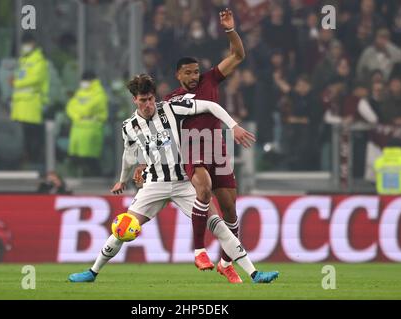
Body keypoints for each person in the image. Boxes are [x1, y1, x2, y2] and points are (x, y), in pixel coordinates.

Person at [68, 74, 279, 284]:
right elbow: (129, 156)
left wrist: (232, 125)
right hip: (154, 185)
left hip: (184, 182)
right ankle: (92, 272)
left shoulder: (171, 108)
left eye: (151, 99)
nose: (148, 104)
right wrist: (122, 180)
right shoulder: (129, 126)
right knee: (124, 227)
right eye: (143, 100)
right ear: (135, 100)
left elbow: (210, 106)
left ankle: (254, 273)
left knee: (218, 225)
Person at [162, 8, 247, 283]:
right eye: (188, 73)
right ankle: (199, 250)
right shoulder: (171, 99)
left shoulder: (211, 79)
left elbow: (238, 56)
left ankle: (225, 261)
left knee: (231, 209)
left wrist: (230, 29)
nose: (194, 77)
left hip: (218, 149)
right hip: (193, 150)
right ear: (178, 75)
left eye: (196, 72)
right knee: (204, 188)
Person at [10, 33, 49, 165]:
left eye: (28, 43)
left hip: (32, 101)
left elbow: (36, 79)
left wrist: (16, 82)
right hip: (22, 102)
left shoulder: (38, 60)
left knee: (34, 133)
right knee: (26, 133)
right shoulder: (24, 60)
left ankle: (34, 157)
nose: (26, 47)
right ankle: (28, 156)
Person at [66, 71, 108, 176]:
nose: (84, 83)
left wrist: (78, 113)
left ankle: (97, 178)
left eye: (86, 80)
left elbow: (87, 109)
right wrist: (77, 115)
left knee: (90, 158)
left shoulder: (99, 93)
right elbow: (70, 107)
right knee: (76, 158)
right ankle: (86, 177)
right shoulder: (80, 92)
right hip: (77, 129)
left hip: (91, 129)